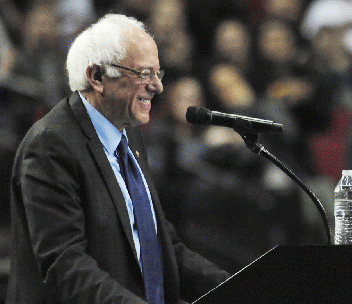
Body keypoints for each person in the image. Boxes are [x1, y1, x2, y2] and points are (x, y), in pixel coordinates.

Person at [7, 13, 230, 303]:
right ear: (97, 77)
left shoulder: (130, 136)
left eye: (157, 73)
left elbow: (162, 246)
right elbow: (65, 264)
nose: (158, 87)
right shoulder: (50, 144)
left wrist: (238, 288)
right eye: (144, 74)